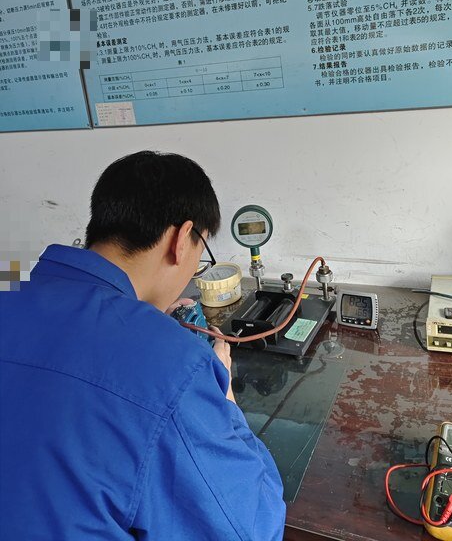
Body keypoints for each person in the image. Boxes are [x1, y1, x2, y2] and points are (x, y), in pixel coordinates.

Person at [0, 151, 286, 540]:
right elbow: (253, 528)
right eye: (201, 255)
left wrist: (135, 317)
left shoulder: (10, 288)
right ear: (181, 239)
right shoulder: (174, 366)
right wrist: (227, 404)